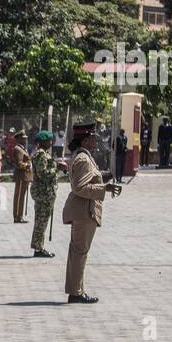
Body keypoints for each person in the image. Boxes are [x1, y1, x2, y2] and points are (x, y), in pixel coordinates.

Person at [61, 123, 121, 303]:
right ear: (86, 140)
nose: (96, 142)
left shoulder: (84, 157)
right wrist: (105, 188)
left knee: (78, 252)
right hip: (83, 212)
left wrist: (103, 177)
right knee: (79, 253)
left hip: (84, 211)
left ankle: (76, 290)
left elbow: (86, 179)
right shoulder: (83, 159)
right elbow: (79, 187)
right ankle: (76, 293)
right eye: (93, 139)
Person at [28, 131, 57, 258]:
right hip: (43, 192)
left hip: (45, 192)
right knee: (41, 221)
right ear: (43, 142)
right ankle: (38, 248)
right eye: (49, 140)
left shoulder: (44, 154)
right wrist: (57, 169)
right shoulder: (41, 155)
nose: (51, 142)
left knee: (42, 220)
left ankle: (39, 246)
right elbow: (42, 173)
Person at [9, 131, 32, 223]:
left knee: (21, 196)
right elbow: (19, 164)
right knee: (19, 196)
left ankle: (20, 215)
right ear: (18, 139)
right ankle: (17, 216)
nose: (25, 140)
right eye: (23, 138)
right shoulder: (18, 149)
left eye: (25, 138)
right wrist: (28, 165)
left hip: (24, 175)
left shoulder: (22, 148)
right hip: (21, 175)